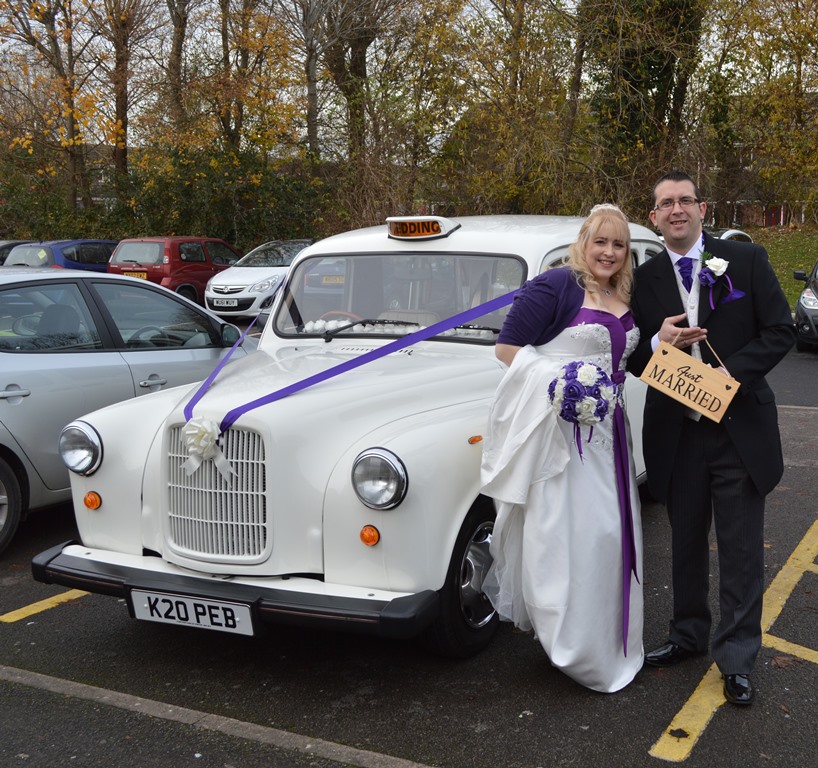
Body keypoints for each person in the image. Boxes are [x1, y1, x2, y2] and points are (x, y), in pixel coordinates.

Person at [627, 170, 795, 706]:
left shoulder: (743, 260)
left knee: (742, 548)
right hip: (677, 434)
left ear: (702, 208)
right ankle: (687, 635)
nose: (676, 209)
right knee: (684, 542)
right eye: (665, 203)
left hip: (737, 430)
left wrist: (730, 377)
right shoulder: (644, 279)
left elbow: (779, 330)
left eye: (685, 200)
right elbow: (631, 356)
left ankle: (739, 657)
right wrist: (659, 340)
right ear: (653, 217)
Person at [480, 204, 644, 693]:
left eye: (619, 245)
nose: (609, 252)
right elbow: (507, 350)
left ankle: (611, 642)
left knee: (611, 538)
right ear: (584, 242)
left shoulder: (620, 292)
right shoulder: (557, 285)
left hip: (611, 438)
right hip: (564, 443)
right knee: (569, 539)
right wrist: (566, 382)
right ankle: (571, 646)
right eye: (601, 242)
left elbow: (629, 356)